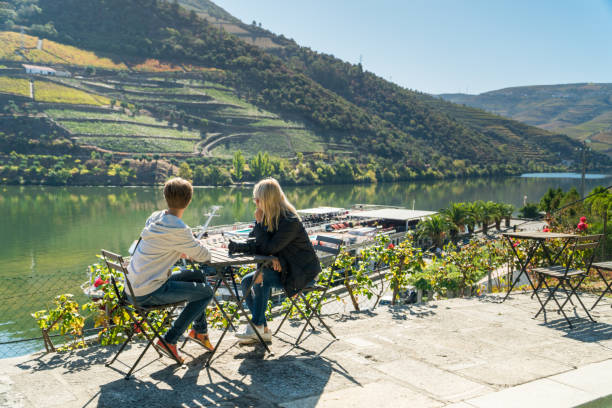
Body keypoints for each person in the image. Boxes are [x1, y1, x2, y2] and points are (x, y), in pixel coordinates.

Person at [127, 177, 214, 363]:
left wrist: (181, 249)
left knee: (198, 276)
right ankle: (170, 340)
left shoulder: (155, 217)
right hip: (148, 291)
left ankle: (200, 332)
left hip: (133, 287)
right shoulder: (180, 229)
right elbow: (204, 256)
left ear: (165, 197)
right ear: (189, 201)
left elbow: (160, 244)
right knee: (206, 292)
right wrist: (193, 246)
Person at [237, 178, 321, 344]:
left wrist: (261, 226)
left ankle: (257, 326)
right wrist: (273, 256)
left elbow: (269, 247)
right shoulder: (270, 218)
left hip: (302, 273)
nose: (255, 202)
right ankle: (263, 329)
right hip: (285, 269)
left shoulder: (290, 221)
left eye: (257, 199)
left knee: (259, 277)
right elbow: (255, 244)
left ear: (267, 200)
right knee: (246, 282)